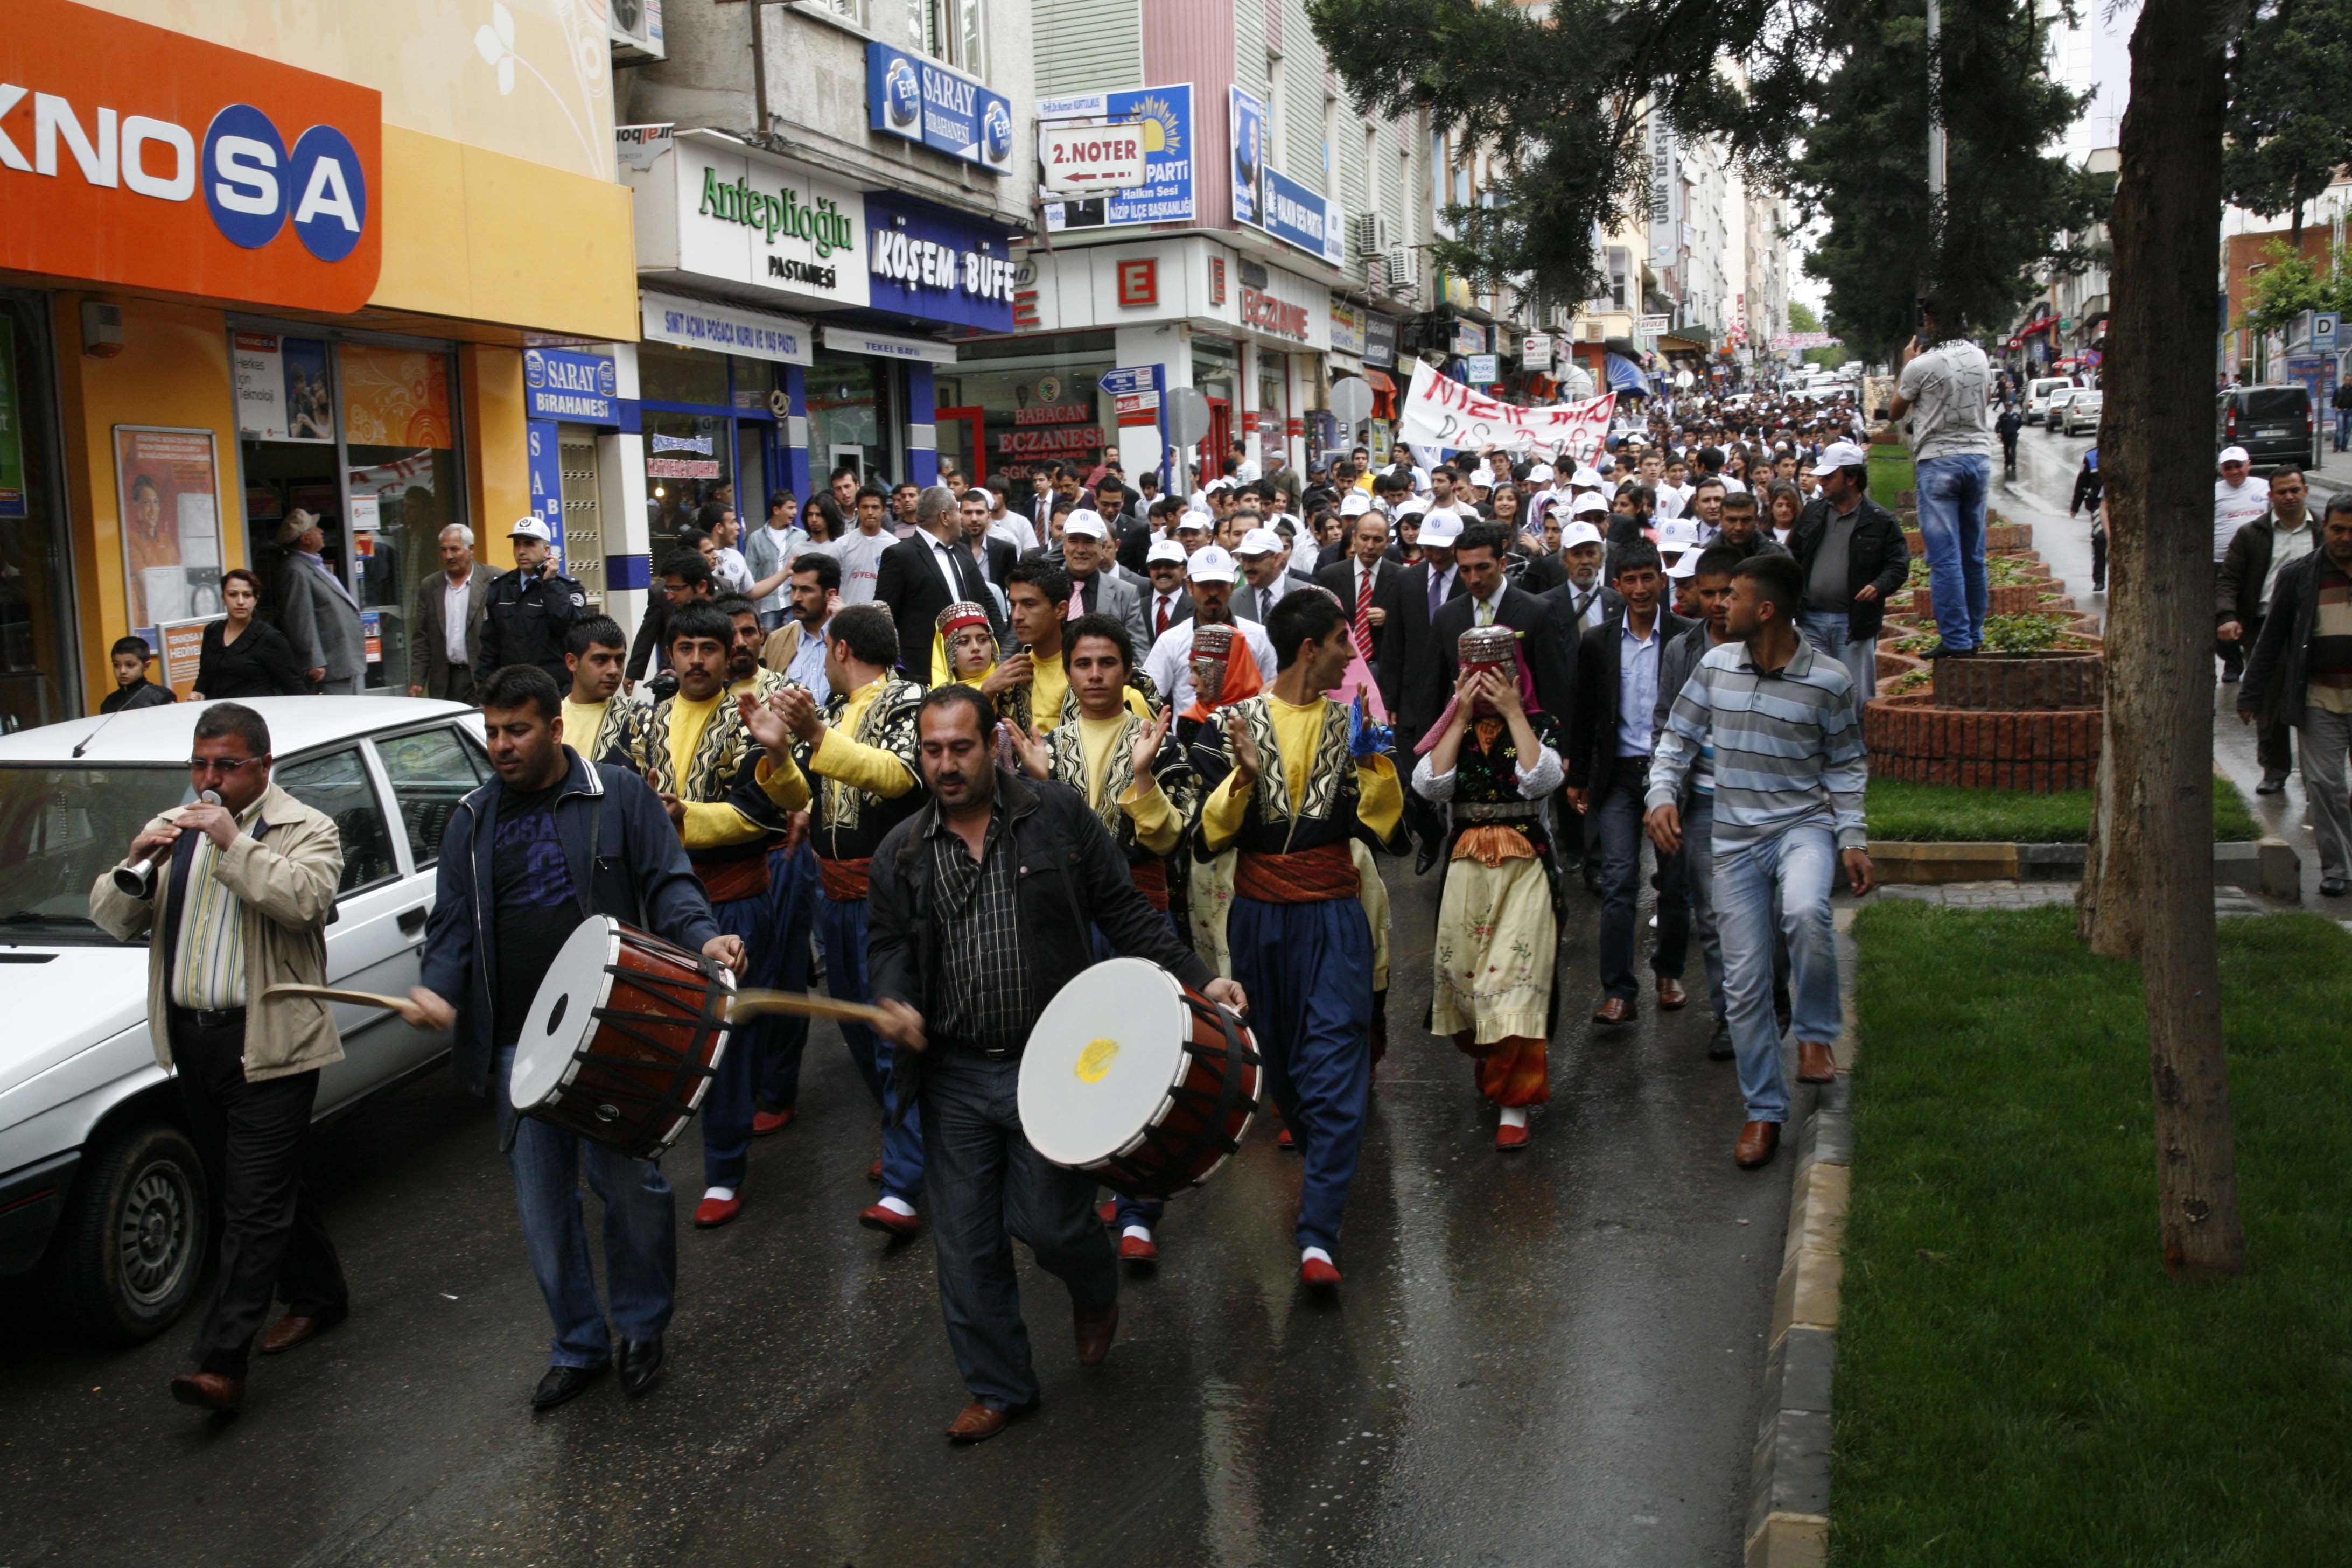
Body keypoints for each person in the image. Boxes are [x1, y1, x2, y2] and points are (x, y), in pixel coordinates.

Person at [853, 686, 1238, 1443]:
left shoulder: (1056, 815)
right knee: (966, 1244)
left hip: (1055, 1062)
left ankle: (1094, 1287)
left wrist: (1201, 980)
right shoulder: (901, 851)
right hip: (954, 1074)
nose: (946, 765)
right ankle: (999, 1386)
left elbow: (1123, 910)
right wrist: (894, 999)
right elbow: (888, 946)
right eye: (932, 751)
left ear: (993, 745)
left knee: (1053, 1225)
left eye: (961, 748)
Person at [409, 666, 741, 1409]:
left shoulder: (615, 794)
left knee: (631, 1189)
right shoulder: (470, 820)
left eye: (518, 730)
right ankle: (579, 1345)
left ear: (555, 729)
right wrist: (438, 984)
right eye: (492, 732)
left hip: (614, 1029)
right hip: (517, 1047)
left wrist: (703, 937)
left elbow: (668, 880)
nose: (502, 745)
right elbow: (453, 924)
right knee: (543, 1209)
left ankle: (643, 1327)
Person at [89, 703, 347, 1415]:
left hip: (271, 1038)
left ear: (264, 765)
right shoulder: (177, 829)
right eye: (200, 764)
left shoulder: (306, 827)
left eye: (227, 766)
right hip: (193, 1040)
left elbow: (306, 901)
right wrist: (136, 860)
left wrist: (233, 842)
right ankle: (320, 1293)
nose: (210, 779)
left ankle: (220, 1363)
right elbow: (112, 919)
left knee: (251, 1207)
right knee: (259, 1187)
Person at [1193, 591, 1404, 1289]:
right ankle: (1326, 1174)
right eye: (1343, 639)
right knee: (1282, 1068)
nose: (1352, 653)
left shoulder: (1355, 722)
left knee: (1335, 1063)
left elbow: (1390, 831)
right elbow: (1205, 837)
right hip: (1259, 919)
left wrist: (1375, 764)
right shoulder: (1227, 725)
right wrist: (1243, 779)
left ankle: (1318, 1234)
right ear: (1310, 647)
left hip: (1335, 914)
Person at [1647, 554, 1874, 1169]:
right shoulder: (1715, 666)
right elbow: (1676, 739)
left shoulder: (1829, 680)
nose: (1721, 604)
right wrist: (1660, 794)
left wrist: (1852, 838)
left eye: (1735, 596)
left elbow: (1846, 765)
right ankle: (1764, 1111)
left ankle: (1817, 1035)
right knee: (1743, 986)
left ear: (1767, 610)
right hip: (1733, 843)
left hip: (1803, 828)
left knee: (1804, 912)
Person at [1000, 614, 1196, 1262]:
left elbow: (1172, 837)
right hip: (1064, 923)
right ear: (1068, 671)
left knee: (1142, 1058)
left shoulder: (1157, 741)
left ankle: (1140, 1207)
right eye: (1082, 664)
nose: (1093, 675)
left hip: (1138, 911)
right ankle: (1080, 1186)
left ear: (1127, 670)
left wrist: (1143, 778)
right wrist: (1040, 784)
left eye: (1107, 663)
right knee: (1076, 1056)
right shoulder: (1046, 746)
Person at [606, 602, 801, 1227]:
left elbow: (765, 814)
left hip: (733, 895)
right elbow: (611, 791)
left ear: (728, 654)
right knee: (654, 1032)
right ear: (669, 654)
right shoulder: (641, 719)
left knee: (730, 1038)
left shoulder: (750, 720)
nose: (696, 660)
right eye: (685, 647)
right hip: (657, 905)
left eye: (708, 648)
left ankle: (724, 1169)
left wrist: (682, 817)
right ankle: (642, 1159)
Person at [741, 605, 930, 1234]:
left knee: (890, 1035)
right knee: (862, 1031)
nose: (823, 661)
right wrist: (778, 751)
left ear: (841, 648)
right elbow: (799, 797)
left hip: (891, 897)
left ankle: (905, 1179)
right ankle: (911, 1137)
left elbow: (901, 777)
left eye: (826, 650)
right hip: (834, 893)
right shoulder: (832, 711)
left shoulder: (908, 700)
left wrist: (818, 735)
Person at [1412, 628, 1566, 1150]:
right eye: (1473, 676)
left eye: (1494, 674)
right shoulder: (1450, 727)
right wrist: (1458, 716)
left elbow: (1540, 779)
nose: (1483, 687)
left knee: (1516, 979)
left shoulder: (1541, 726)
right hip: (1466, 867)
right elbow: (1430, 786)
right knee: (1464, 978)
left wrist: (1515, 712)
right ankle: (1492, 1056)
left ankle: (1514, 1103)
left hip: (1526, 867)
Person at [1567, 542, 1694, 1026]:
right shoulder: (1598, 642)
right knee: (1619, 879)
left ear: (1662, 581)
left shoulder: (1685, 638)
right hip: (1618, 775)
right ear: (1617, 586)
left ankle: (1669, 972)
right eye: (1631, 580)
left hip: (1671, 774)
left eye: (1648, 578)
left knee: (1675, 882)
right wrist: (1579, 776)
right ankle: (1619, 989)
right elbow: (1584, 711)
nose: (1640, 589)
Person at [2239, 493, 2352, 896]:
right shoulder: (2300, 575)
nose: (2345, 538)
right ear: (2325, 528)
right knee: (2324, 785)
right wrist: (2251, 694)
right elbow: (2271, 639)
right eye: (2338, 529)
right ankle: (2339, 868)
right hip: (2319, 699)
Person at [1889, 300, 1994, 657]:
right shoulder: (1980, 357)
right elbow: (1986, 398)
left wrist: (1907, 364)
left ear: (1931, 322)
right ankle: (1974, 635)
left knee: (1945, 558)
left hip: (1939, 463)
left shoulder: (1922, 364)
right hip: (1978, 459)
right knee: (1973, 555)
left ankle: (1956, 640)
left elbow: (1895, 410)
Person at [1789, 442, 1909, 716]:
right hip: (1811, 621)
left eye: (1830, 476)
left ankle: (1856, 744)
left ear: (1852, 478)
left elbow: (1899, 564)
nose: (1822, 482)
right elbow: (1793, 555)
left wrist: (1879, 586)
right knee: (1813, 695)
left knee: (1855, 698)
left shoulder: (1881, 521)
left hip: (1854, 625)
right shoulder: (1814, 512)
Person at [2220, 467, 2319, 793]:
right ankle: (2275, 770)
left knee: (2318, 704)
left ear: (2305, 491)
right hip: (2267, 629)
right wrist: (2228, 616)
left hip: (2316, 628)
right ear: (2271, 495)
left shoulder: (2324, 531)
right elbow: (2229, 580)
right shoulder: (2252, 535)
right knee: (2270, 703)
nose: (2289, 497)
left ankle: (2317, 778)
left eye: (2295, 490)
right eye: (2282, 492)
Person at [1381, 510, 1467, 873]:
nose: (1436, 555)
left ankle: (1459, 855)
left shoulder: (1471, 578)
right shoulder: (1407, 581)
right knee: (1414, 782)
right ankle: (1431, 835)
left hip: (1458, 694)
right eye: (1429, 547)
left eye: (1443, 548)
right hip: (1413, 697)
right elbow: (1394, 642)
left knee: (1458, 779)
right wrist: (1390, 699)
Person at [875, 485, 1007, 682]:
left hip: (976, 673)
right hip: (925, 674)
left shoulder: (963, 551)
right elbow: (883, 618)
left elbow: (987, 602)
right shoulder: (900, 556)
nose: (961, 518)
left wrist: (1003, 653)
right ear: (945, 517)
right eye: (958, 511)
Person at [476, 518, 588, 688]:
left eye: (529, 544)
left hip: (554, 688)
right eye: (517, 544)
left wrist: (550, 583)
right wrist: (485, 687)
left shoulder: (567, 588)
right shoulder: (500, 588)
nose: (521, 551)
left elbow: (570, 629)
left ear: (547, 550)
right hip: (511, 688)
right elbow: (490, 646)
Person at [276, 509, 365, 693]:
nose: (321, 531)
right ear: (305, 538)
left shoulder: (312, 564)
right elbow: (299, 620)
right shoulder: (296, 570)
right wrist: (313, 661)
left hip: (341, 663)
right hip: (328, 668)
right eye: (316, 529)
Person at [192, 568, 309, 701]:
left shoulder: (270, 638)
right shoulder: (213, 631)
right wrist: (198, 693)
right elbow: (204, 677)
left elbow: (295, 688)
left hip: (256, 711)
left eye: (247, 595)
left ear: (256, 599)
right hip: (216, 711)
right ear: (223, 598)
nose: (240, 601)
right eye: (233, 594)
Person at [2213, 446, 2274, 682]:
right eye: (2228, 468)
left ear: (2249, 465)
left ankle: (2255, 662)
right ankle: (2232, 662)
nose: (2234, 472)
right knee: (2221, 615)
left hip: (2257, 563)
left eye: (2238, 466)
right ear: (2222, 470)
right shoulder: (2214, 492)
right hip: (2221, 562)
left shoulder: (2264, 488)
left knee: (2252, 612)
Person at [411, 523, 488, 702]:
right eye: (444, 550)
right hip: (445, 681)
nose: (449, 556)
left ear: (471, 549)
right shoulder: (430, 586)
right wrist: (417, 681)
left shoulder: (494, 580)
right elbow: (422, 638)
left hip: (482, 678)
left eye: (454, 549)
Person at [557, 617, 647, 763]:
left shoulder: (639, 717)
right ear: (572, 662)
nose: (613, 670)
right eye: (601, 660)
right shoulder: (552, 719)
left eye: (619, 660)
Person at [1315, 512, 1399, 667]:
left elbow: (1411, 624)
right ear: (1354, 538)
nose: (1370, 546)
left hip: (1384, 666)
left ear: (1388, 542)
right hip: (1339, 665)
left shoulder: (1401, 577)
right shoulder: (1330, 575)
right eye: (1364, 538)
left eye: (1377, 540)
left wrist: (1389, 617)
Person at [759, 551, 840, 702]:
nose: (796, 598)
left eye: (806, 590)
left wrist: (846, 621)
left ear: (830, 595)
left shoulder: (849, 637)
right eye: (793, 589)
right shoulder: (778, 640)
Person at [744, 492, 808, 632]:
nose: (795, 512)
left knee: (794, 640)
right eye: (790, 508)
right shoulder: (756, 538)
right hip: (769, 604)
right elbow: (749, 576)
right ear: (776, 510)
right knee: (770, 642)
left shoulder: (801, 536)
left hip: (793, 601)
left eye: (795, 508)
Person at [828, 484, 897, 605]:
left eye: (875, 507)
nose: (870, 512)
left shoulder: (895, 546)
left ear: (883, 510)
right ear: (858, 509)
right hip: (848, 614)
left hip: (882, 616)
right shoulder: (842, 545)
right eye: (865, 507)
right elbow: (829, 583)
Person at [99, 635, 176, 712]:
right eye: (116, 665)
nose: (122, 671)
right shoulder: (109, 702)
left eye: (130, 665)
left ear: (146, 666)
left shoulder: (161, 696)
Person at [1994, 402, 2023, 478]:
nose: (2009, 407)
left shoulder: (2016, 416)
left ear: (2013, 407)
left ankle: (2013, 464)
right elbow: (1997, 426)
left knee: (2013, 449)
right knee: (2006, 450)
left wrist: (2015, 429)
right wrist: (1999, 433)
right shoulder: (2002, 416)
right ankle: (2007, 463)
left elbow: (2020, 423)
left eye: (2011, 406)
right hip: (2005, 436)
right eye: (2008, 406)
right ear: (2006, 407)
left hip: (2013, 435)